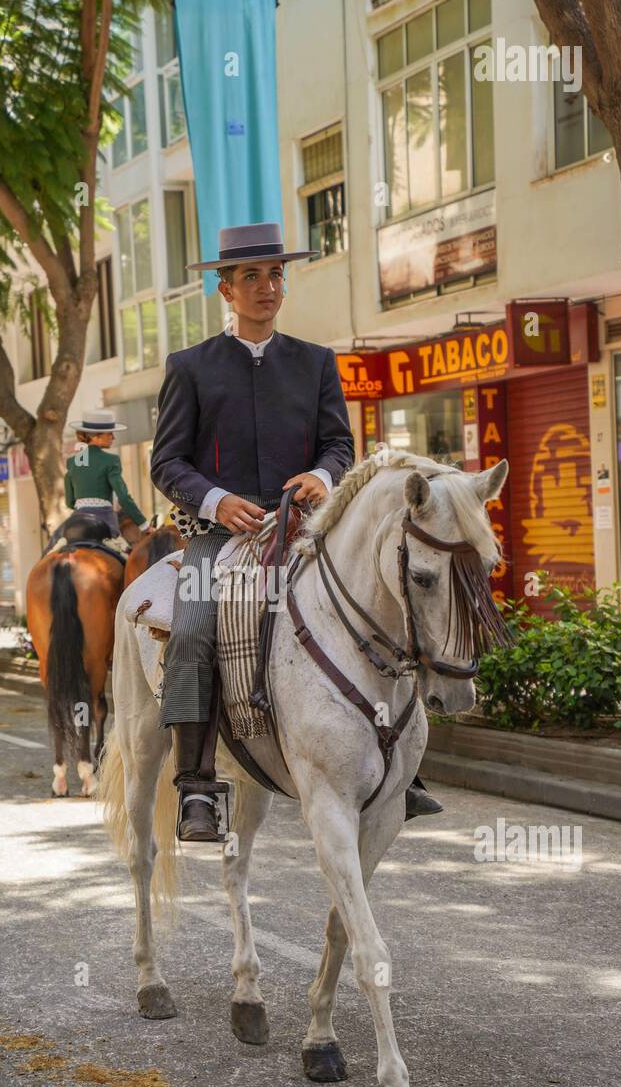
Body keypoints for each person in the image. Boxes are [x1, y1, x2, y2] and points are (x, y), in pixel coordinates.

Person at [150, 220, 443, 841]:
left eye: (276, 274)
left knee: (386, 600)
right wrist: (217, 499)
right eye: (251, 276)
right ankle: (197, 785)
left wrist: (320, 473)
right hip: (221, 535)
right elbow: (167, 463)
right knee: (196, 621)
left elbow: (340, 441)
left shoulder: (314, 362)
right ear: (225, 290)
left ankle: (401, 767)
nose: (267, 286)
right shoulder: (190, 366)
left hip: (308, 529)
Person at [56, 410, 151, 550]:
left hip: (76, 521)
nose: (113, 438)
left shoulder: (72, 462)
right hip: (105, 521)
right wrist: (144, 525)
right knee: (127, 559)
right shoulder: (111, 461)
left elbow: (70, 502)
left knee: (52, 551)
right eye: (109, 433)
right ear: (96, 436)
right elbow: (123, 498)